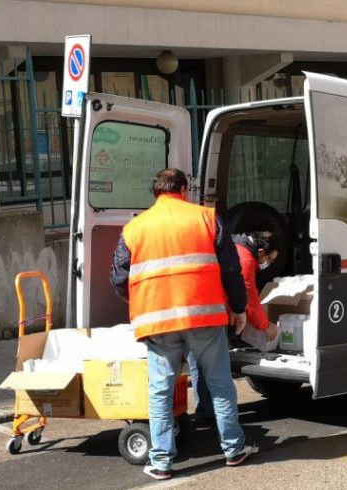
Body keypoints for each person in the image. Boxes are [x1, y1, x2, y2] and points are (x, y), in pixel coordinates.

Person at [110, 168, 255, 481]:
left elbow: (119, 279)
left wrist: (143, 299)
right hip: (204, 318)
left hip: (158, 323)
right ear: (184, 190)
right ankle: (234, 449)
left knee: (160, 393)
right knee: (220, 385)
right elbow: (231, 269)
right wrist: (239, 308)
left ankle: (161, 462)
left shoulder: (135, 228)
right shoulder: (205, 218)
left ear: (156, 192)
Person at [190, 231, 280, 418]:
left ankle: (205, 410)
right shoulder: (245, 259)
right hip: (211, 315)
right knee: (216, 367)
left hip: (195, 310)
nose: (268, 264)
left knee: (198, 363)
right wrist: (265, 325)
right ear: (261, 252)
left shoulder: (233, 246)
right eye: (270, 259)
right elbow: (248, 297)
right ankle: (220, 418)